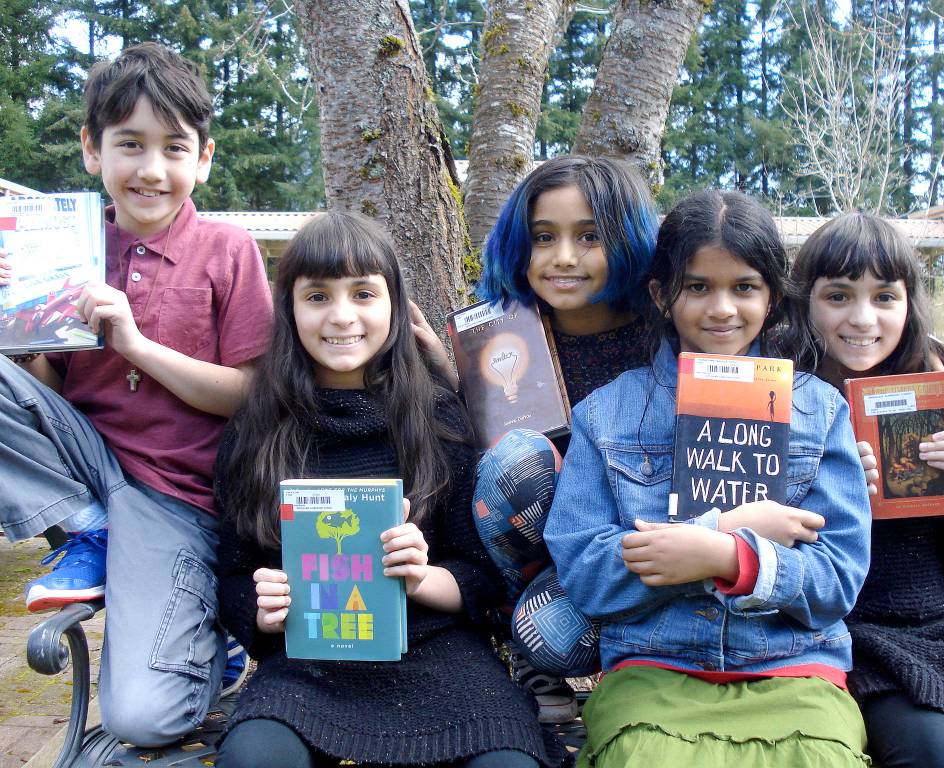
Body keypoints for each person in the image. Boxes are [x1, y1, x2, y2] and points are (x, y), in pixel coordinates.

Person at [213, 210, 565, 768]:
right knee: (255, 758)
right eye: (318, 297)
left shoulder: (439, 416)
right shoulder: (257, 429)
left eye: (363, 294)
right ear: (290, 309)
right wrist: (261, 609)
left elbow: (480, 573)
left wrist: (422, 577)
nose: (342, 316)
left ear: (395, 307)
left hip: (440, 656)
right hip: (310, 665)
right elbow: (233, 571)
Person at [0, 43, 272, 745]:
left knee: (142, 720)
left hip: (174, 497)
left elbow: (251, 396)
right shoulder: (67, 244)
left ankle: (214, 640)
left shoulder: (228, 251)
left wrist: (136, 346)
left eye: (173, 148)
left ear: (203, 158)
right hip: (86, 467)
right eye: (130, 145)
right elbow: (44, 394)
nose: (151, 170)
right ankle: (89, 530)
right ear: (93, 150)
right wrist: (20, 317)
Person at [544, 189, 874, 767]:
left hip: (792, 665)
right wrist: (721, 527)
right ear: (660, 295)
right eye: (698, 287)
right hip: (655, 669)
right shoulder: (606, 415)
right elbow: (586, 576)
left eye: (744, 287)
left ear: (771, 299)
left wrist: (730, 559)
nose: (722, 308)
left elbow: (838, 578)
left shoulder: (821, 411)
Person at [788, 212, 944, 768]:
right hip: (853, 639)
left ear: (908, 304)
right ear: (805, 302)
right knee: (941, 755)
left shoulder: (938, 387)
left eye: (885, 297)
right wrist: (831, 494)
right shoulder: (785, 398)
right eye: (838, 296)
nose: (862, 318)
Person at [466, 155, 659, 721]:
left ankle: (652, 658)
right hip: (552, 569)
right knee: (516, 461)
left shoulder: (665, 340)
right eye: (543, 237)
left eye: (590, 236)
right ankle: (523, 641)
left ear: (626, 240)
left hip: (641, 549)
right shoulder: (497, 342)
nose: (564, 258)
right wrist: (447, 379)